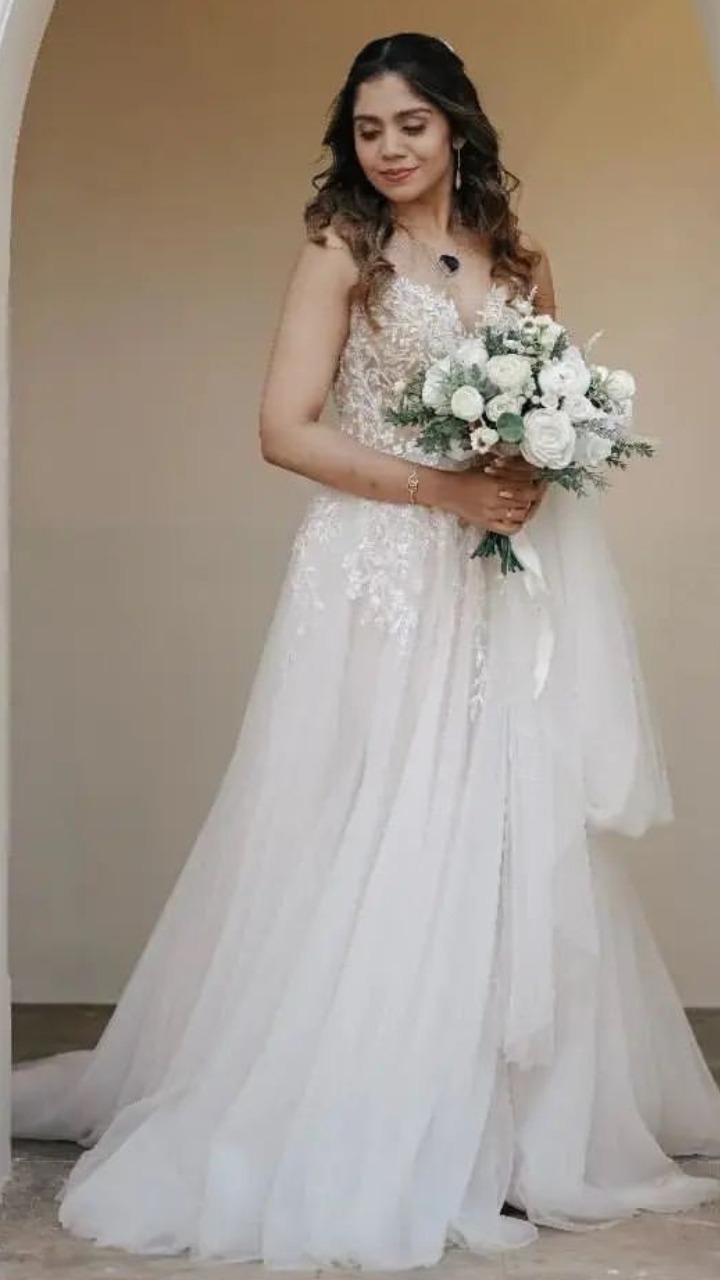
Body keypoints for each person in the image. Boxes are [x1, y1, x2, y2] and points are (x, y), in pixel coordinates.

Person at [11, 31, 720, 1271]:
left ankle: (503, 1125)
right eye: (368, 128)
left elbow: (543, 424)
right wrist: (444, 492)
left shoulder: (518, 258)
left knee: (494, 825)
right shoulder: (342, 252)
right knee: (374, 814)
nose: (389, 148)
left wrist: (529, 467)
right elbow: (283, 429)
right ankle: (371, 1111)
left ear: (457, 127)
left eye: (412, 125)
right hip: (376, 575)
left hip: (490, 582)